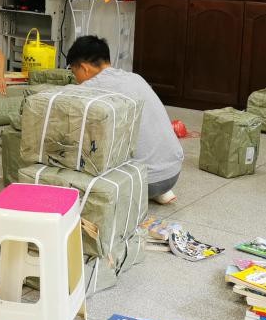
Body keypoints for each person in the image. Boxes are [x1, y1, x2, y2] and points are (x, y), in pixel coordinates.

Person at [67, 34, 184, 204]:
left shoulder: (91, 89)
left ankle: (143, 190)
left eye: (74, 72)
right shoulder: (135, 78)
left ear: (84, 68)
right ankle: (157, 192)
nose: (76, 80)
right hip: (172, 173)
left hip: (143, 181)